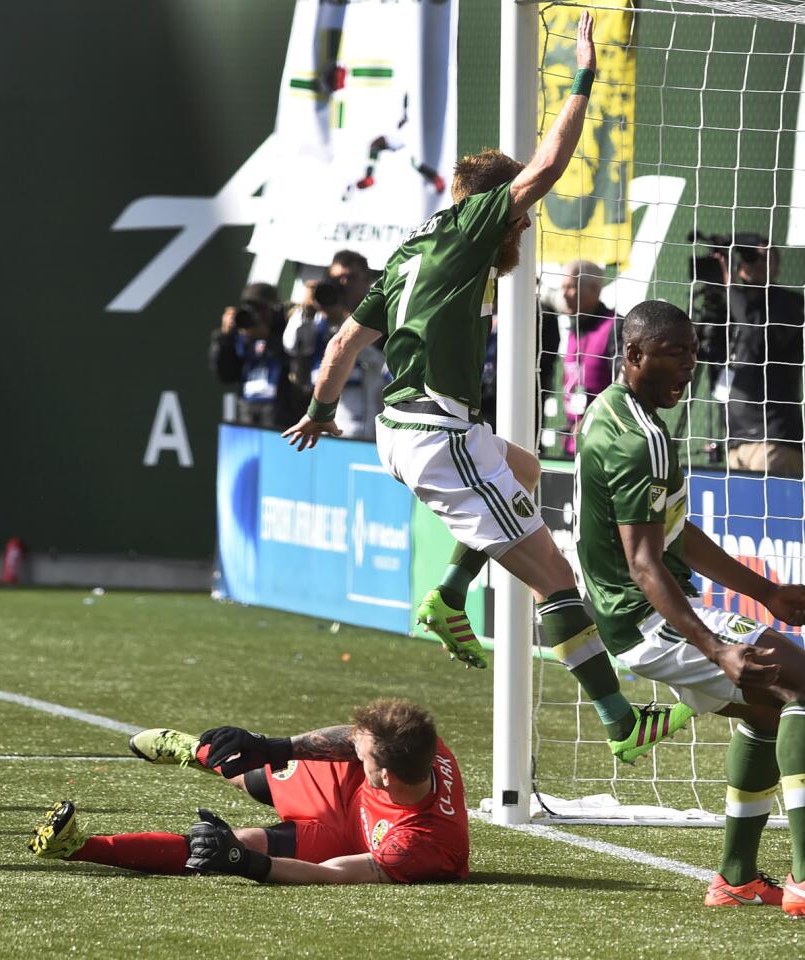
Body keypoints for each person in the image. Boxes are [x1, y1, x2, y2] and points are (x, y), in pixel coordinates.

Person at [279, 12, 691, 765]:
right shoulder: (473, 225)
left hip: (419, 430)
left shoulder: (411, 252)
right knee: (556, 578)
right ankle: (618, 721)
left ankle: (445, 596)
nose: (524, 230)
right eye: (521, 217)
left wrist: (316, 411)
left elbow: (342, 342)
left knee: (526, 470)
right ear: (497, 206)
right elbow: (549, 165)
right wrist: (586, 78)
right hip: (436, 434)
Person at [573, 299, 805, 916]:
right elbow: (645, 564)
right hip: (648, 618)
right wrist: (714, 647)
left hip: (636, 615)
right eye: (673, 354)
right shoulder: (641, 441)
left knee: (768, 709)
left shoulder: (612, 413)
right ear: (634, 354)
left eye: (693, 354)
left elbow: (674, 534)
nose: (687, 368)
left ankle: (737, 877)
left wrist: (765, 592)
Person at [29, 699, 468, 885]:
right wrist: (273, 746)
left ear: (386, 775)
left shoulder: (419, 847)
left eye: (365, 752)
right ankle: (192, 751)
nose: (356, 745)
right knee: (255, 769)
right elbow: (351, 739)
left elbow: (335, 875)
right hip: (352, 793)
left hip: (350, 842)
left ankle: (77, 847)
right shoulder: (420, 746)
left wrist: (248, 864)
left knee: (219, 847)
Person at [694, 240, 805, 477]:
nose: (755, 264)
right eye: (749, 257)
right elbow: (707, 353)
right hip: (736, 441)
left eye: (764, 258)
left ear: (776, 268)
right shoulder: (733, 307)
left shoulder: (788, 304)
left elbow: (758, 339)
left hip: (773, 439)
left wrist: (731, 287)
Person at [282, 278, 385, 439]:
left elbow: (377, 361)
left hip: (356, 403)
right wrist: (305, 310)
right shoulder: (314, 324)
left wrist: (344, 335)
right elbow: (292, 345)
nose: (327, 301)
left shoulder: (356, 324)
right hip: (319, 400)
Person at [209, 282, 298, 429]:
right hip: (248, 410)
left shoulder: (287, 331)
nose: (256, 314)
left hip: (281, 413)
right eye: (250, 307)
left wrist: (268, 338)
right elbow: (225, 374)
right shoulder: (242, 334)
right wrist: (225, 337)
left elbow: (295, 365)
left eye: (261, 308)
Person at [560, 259, 620, 456]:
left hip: (605, 444)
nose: (564, 294)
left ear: (594, 289)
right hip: (572, 443)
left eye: (570, 287)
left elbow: (624, 389)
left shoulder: (615, 328)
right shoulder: (573, 328)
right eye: (563, 287)